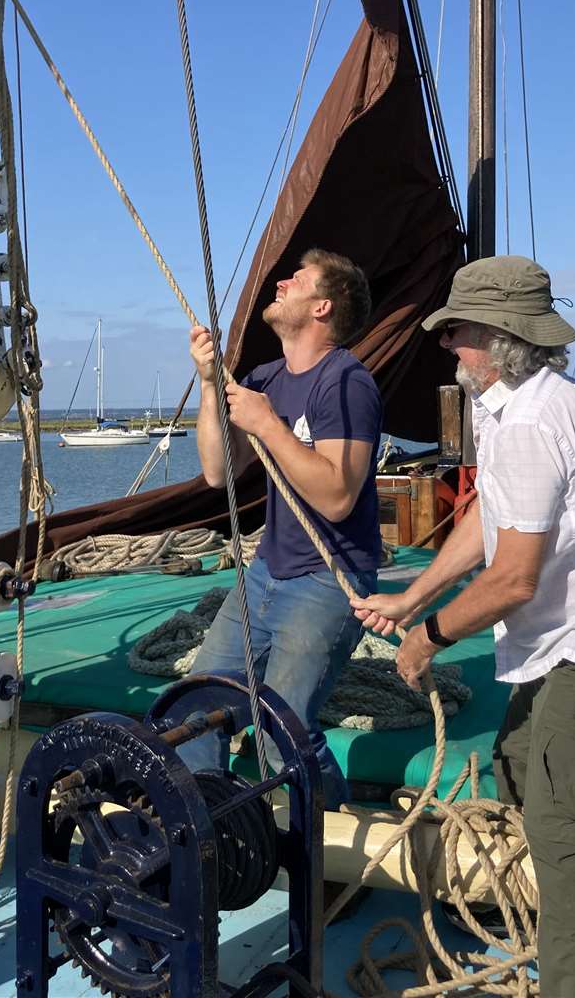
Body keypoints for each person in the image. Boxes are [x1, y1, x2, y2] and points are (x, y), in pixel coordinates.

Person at [350, 255, 575, 997]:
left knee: (566, 841)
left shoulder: (530, 421)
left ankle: (568, 974)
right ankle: (523, 910)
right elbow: (490, 526)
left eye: (456, 331)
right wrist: (412, 597)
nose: (446, 345)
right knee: (517, 760)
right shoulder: (512, 405)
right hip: (570, 635)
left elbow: (513, 578)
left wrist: (427, 638)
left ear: (498, 339)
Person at [179, 248, 383, 808]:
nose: (282, 282)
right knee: (194, 710)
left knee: (281, 730)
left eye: (298, 279)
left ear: (322, 306)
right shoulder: (264, 378)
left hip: (329, 577)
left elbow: (338, 497)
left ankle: (326, 853)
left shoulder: (346, 383)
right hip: (266, 572)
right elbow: (218, 471)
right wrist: (206, 384)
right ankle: (210, 826)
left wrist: (268, 423)